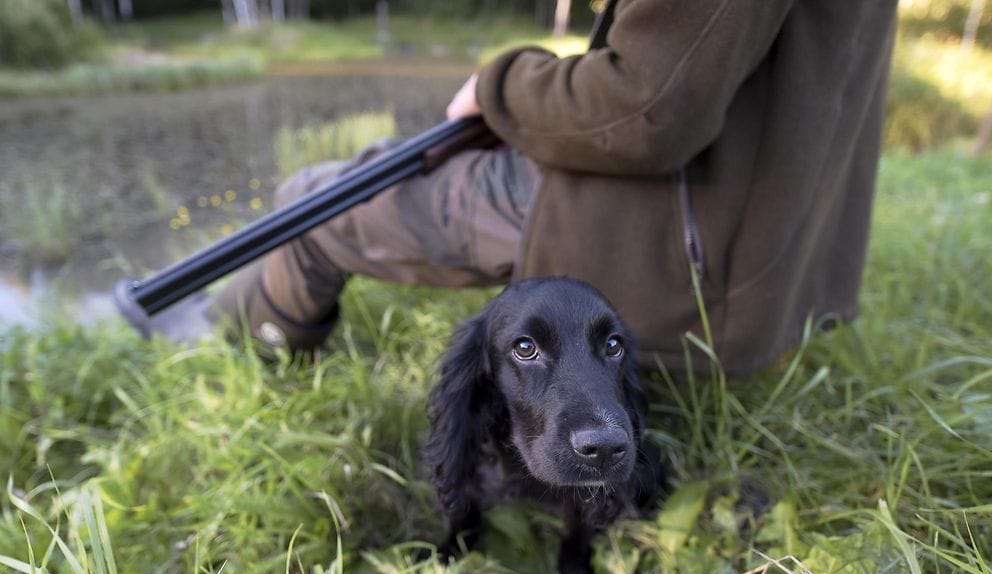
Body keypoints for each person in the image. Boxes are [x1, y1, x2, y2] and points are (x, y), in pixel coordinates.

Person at [139, 0, 900, 377]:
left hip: (671, 232)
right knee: (379, 162)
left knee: (316, 201)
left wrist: (502, 84)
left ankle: (237, 350)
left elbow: (648, 108)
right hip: (746, 230)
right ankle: (240, 320)